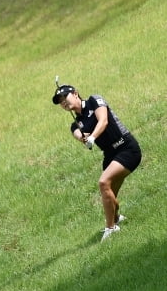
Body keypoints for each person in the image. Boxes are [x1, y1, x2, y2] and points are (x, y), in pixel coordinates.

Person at [52, 85, 141, 242]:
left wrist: (92, 137)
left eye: (65, 98)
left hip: (126, 148)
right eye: (60, 102)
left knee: (103, 182)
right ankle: (116, 218)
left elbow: (103, 121)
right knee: (110, 196)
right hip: (110, 155)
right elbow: (79, 135)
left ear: (75, 94)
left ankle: (111, 228)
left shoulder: (94, 100)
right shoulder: (75, 124)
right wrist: (84, 138)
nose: (63, 103)